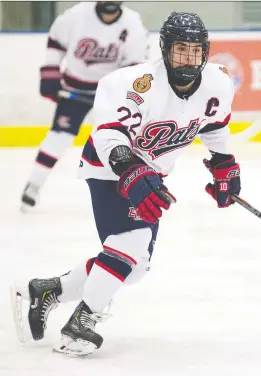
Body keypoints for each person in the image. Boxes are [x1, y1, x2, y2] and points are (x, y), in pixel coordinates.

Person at [11, 11, 240, 357]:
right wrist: (130, 171)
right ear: (164, 49)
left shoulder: (218, 83)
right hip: (108, 167)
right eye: (181, 50)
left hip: (152, 174)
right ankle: (81, 323)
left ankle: (48, 290)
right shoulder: (136, 83)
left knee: (134, 269)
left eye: (195, 51)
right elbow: (108, 136)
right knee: (131, 244)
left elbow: (214, 126)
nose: (188, 59)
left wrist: (223, 165)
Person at [21, 1, 149, 211]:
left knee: (123, 143)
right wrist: (51, 73)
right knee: (59, 137)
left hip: (110, 94)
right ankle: (33, 185)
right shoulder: (76, 16)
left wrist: (125, 95)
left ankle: (132, 190)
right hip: (75, 89)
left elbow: (134, 66)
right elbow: (56, 42)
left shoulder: (133, 24)